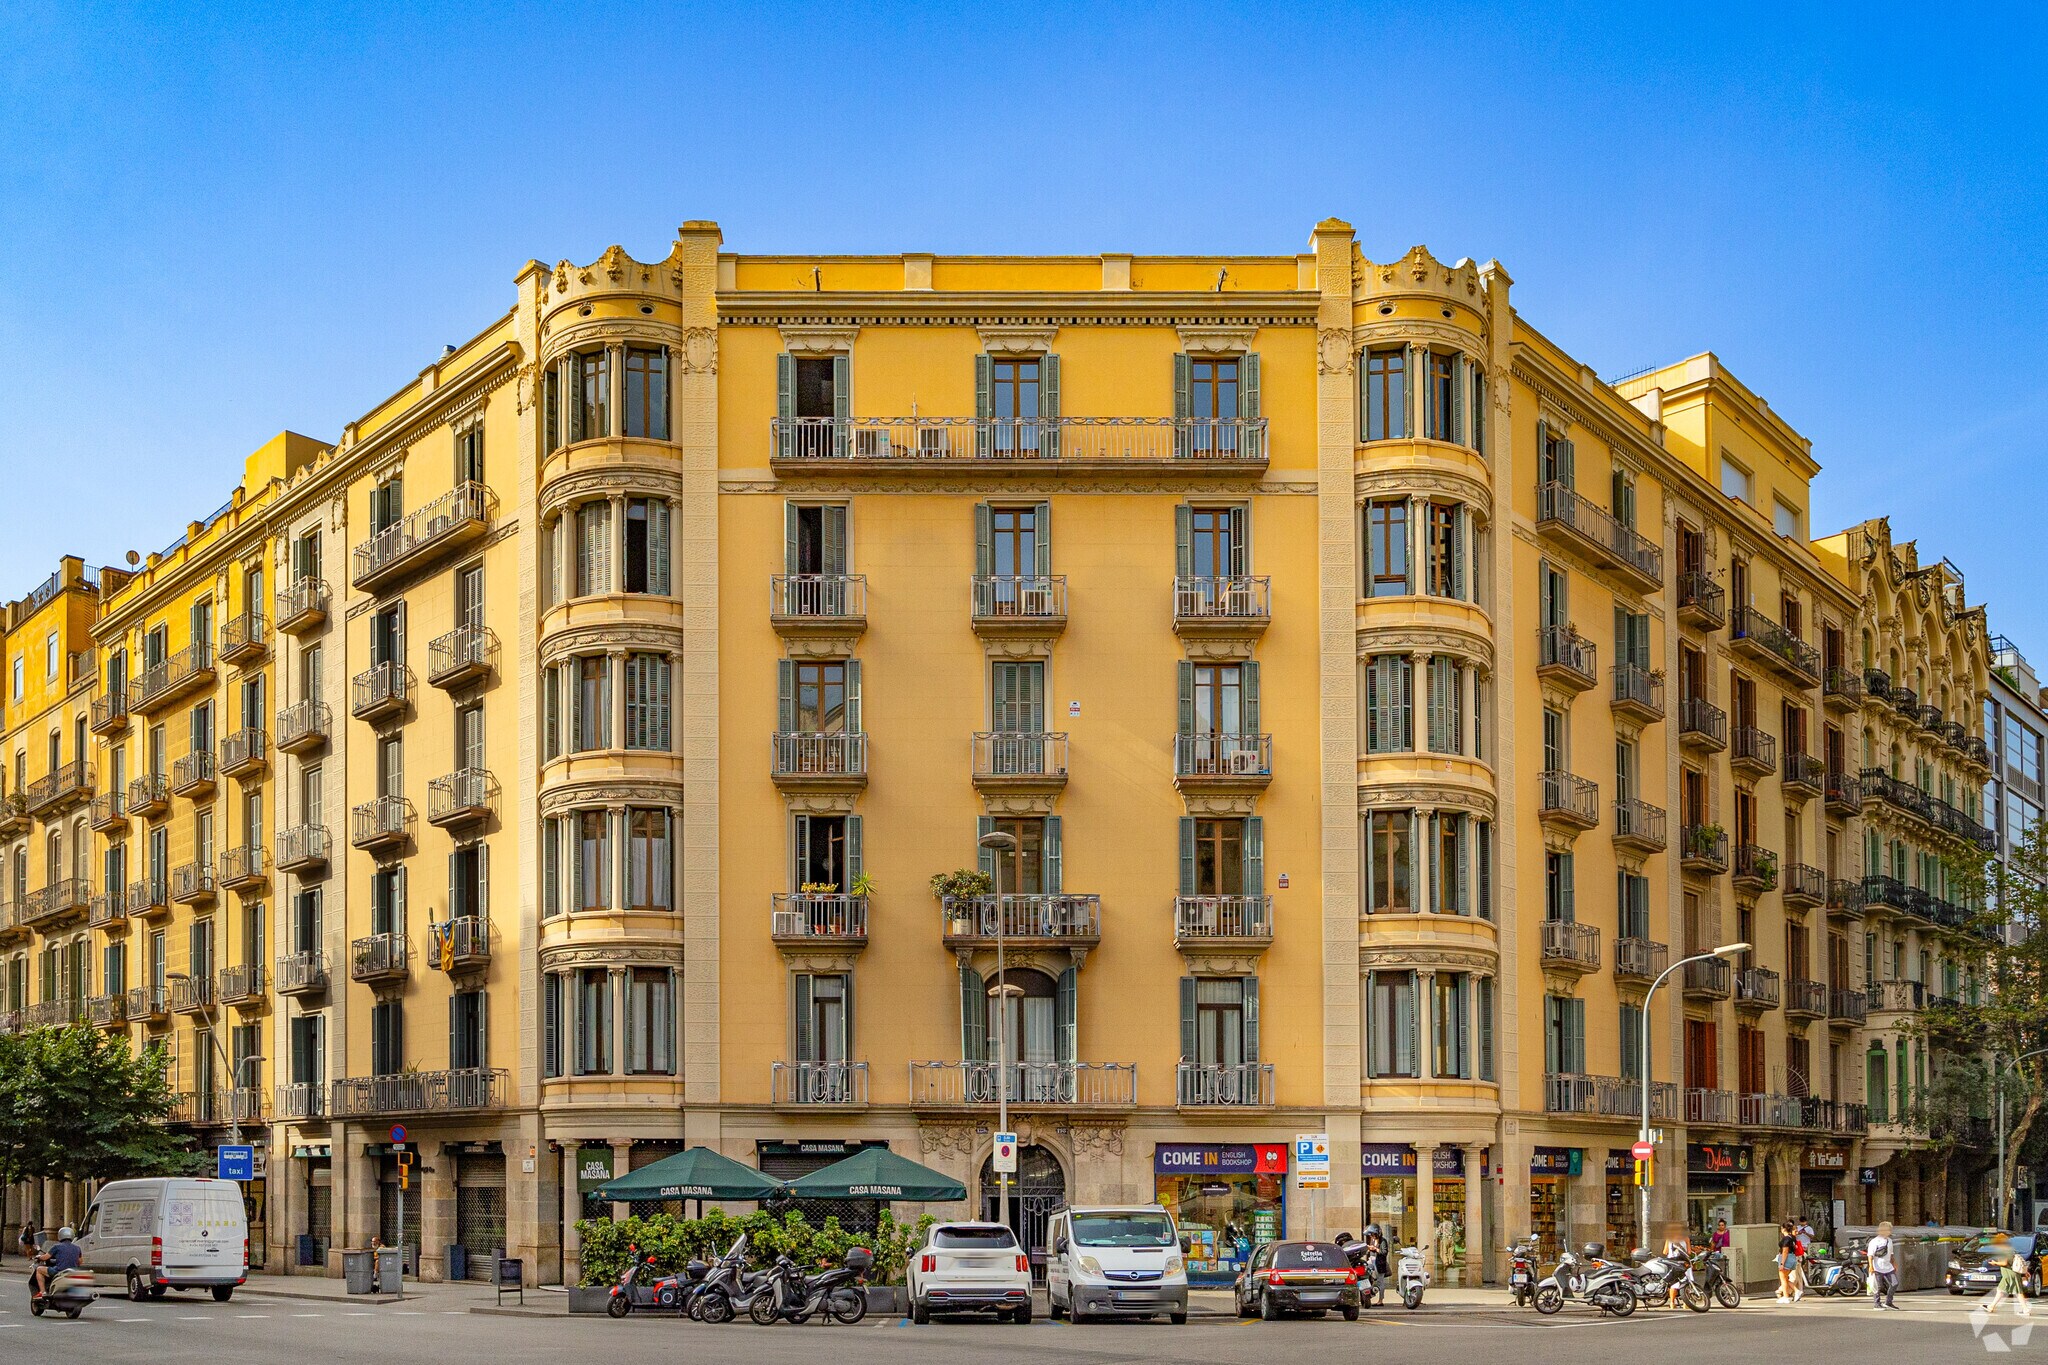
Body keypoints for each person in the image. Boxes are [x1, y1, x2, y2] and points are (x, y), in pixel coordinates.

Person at [31, 1225, 81, 1300]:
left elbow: (45, 1257)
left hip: (59, 1271)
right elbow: (80, 1262)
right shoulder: (77, 1248)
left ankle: (43, 1292)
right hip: (72, 1271)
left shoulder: (56, 1247)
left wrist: (39, 1257)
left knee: (39, 1269)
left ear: (60, 1235)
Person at [1867, 1220, 1898, 1310]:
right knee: (1878, 1286)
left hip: (1888, 1266)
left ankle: (1888, 1302)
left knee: (1895, 1283)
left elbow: (1891, 1254)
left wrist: (1894, 1263)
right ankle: (1877, 1303)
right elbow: (1870, 1255)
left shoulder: (1890, 1241)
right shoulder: (1875, 1241)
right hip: (1877, 1266)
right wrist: (1871, 1266)